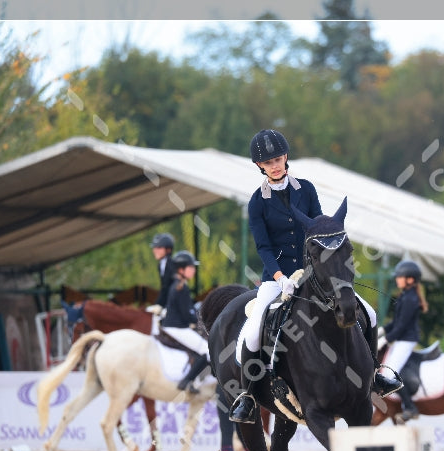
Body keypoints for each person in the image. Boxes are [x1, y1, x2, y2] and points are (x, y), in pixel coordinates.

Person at [229, 128, 402, 424]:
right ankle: (247, 395)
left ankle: (374, 376)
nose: (275, 165)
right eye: (268, 162)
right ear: (260, 166)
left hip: (315, 272)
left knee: (369, 313)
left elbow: (320, 229)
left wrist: (320, 266)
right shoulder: (258, 202)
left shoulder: (305, 189)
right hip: (278, 277)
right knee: (255, 327)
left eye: (278, 158)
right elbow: (263, 246)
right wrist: (281, 276)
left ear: (286, 157)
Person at [381, 260, 429, 422]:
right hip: (402, 338)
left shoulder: (410, 299)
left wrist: (385, 340)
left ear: (410, 279)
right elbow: (395, 323)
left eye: (400, 276)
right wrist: (381, 331)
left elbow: (401, 326)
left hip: (406, 340)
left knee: (390, 373)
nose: (397, 279)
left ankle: (410, 407)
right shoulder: (405, 296)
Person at [161, 250, 210, 392]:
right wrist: (201, 321)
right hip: (177, 327)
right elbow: (187, 314)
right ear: (182, 269)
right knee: (207, 351)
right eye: (191, 267)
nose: (194, 270)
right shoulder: (180, 287)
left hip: (174, 325)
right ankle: (187, 381)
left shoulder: (178, 284)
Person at [148, 233, 176, 315]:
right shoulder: (160, 265)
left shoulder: (173, 265)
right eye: (154, 247)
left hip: (173, 304)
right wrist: (157, 304)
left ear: (168, 249)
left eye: (159, 247)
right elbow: (164, 288)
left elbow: (170, 289)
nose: (154, 250)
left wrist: (160, 305)